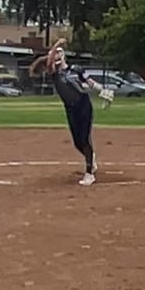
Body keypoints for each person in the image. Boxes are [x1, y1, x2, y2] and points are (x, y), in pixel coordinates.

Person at [34, 44, 101, 185]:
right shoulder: (54, 73)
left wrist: (101, 90)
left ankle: (89, 174)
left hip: (83, 105)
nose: (56, 55)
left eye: (59, 53)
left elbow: (90, 82)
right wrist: (56, 44)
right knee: (77, 142)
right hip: (70, 108)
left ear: (63, 55)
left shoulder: (76, 69)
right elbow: (49, 63)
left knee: (85, 138)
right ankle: (91, 159)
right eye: (54, 54)